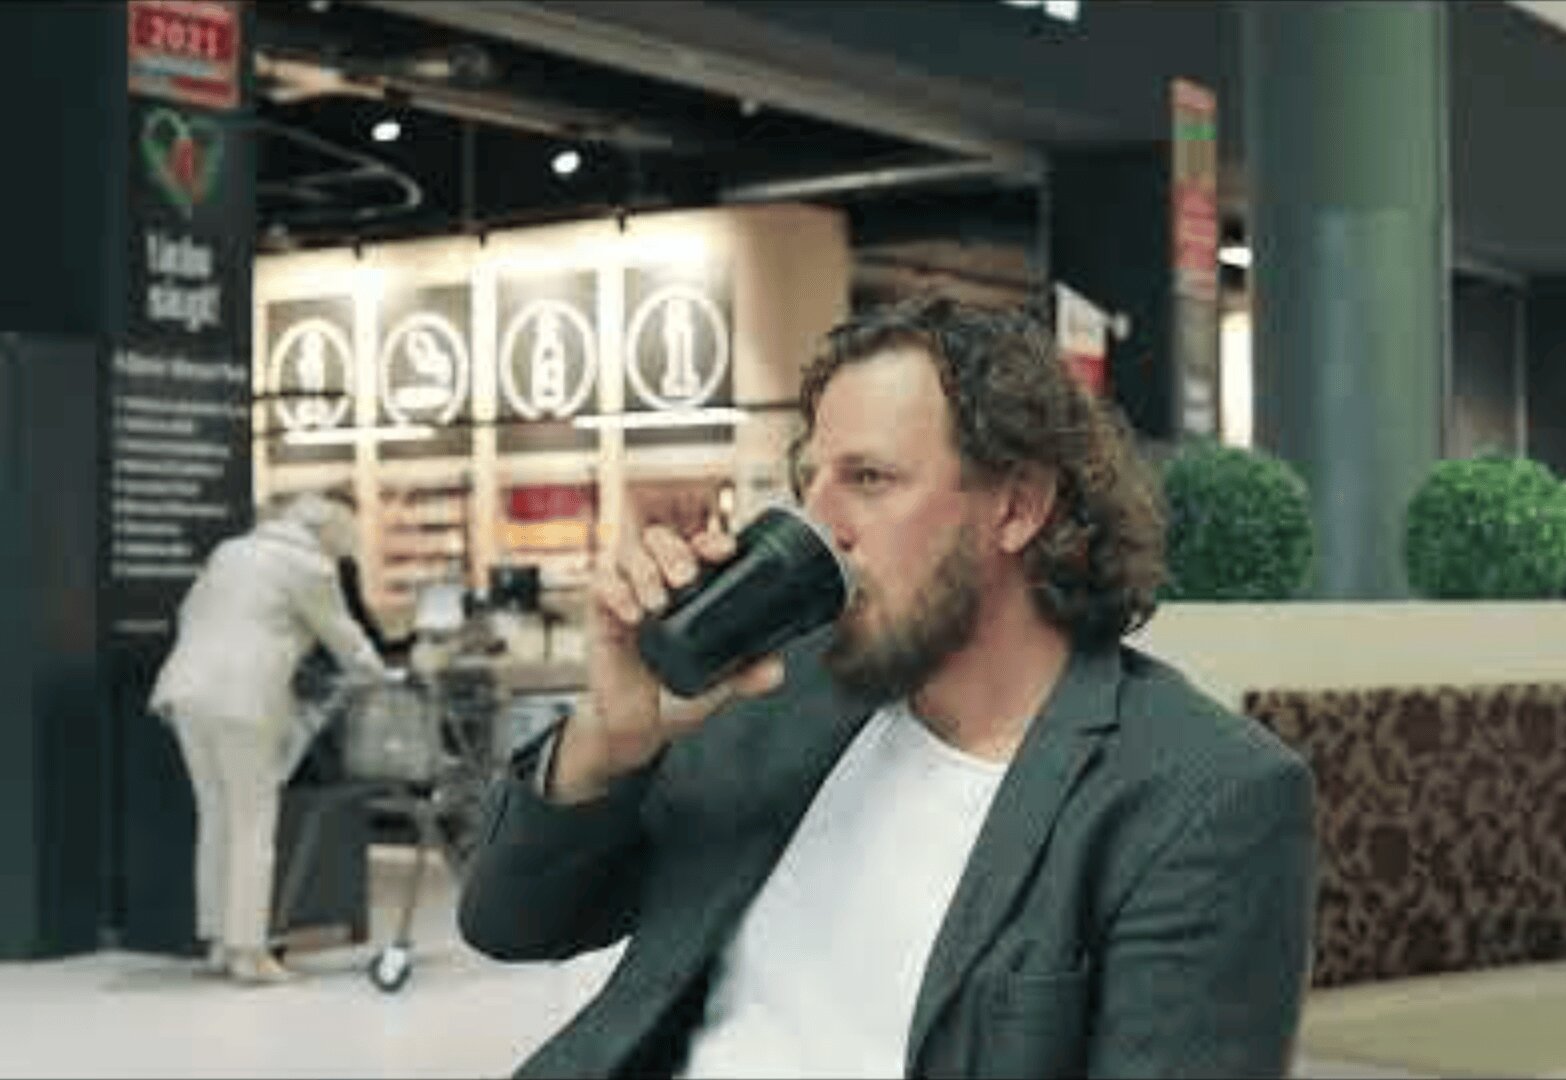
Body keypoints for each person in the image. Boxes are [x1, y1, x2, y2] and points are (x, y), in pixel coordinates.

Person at [459, 297, 1318, 1077]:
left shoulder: (1201, 796)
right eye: (809, 484)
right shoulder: (782, 696)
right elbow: (509, 923)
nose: (816, 526)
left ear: (1017, 508)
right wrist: (611, 744)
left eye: (868, 480)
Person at [150, 491, 386, 984]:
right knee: (253, 824)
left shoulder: (231, 553)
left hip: (186, 691)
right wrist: (382, 678)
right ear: (331, 528)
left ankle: (217, 940)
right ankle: (249, 952)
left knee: (215, 817)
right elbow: (345, 638)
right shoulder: (307, 566)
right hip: (243, 697)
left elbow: (189, 614)